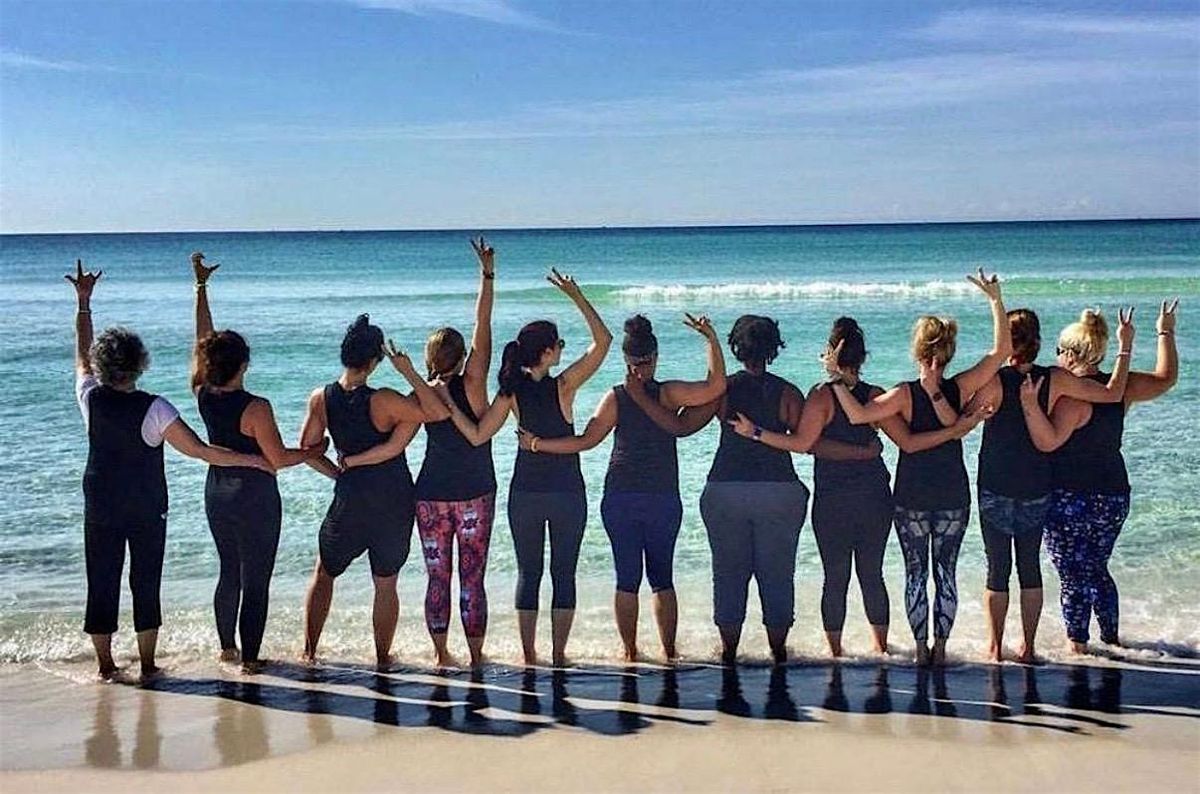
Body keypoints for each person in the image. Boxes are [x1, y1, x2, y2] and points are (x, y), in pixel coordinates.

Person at [729, 317, 988, 658]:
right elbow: (908, 443)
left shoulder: (821, 396)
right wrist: (953, 431)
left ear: (829, 354)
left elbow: (803, 443)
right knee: (871, 574)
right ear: (863, 357)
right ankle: (881, 649)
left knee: (835, 577)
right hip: (874, 497)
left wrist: (756, 433)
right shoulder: (875, 396)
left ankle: (836, 654)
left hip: (832, 499)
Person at [67, 260, 270, 681]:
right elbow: (201, 451)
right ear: (141, 363)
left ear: (104, 366)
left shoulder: (90, 398)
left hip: (100, 506)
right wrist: (252, 459)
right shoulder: (156, 408)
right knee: (145, 581)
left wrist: (84, 304)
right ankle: (146, 664)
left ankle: (106, 665)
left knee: (101, 581)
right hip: (146, 508)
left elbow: (82, 358)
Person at [635, 315, 876, 665]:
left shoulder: (722, 391)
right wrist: (861, 453)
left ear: (736, 348)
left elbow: (681, 427)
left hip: (725, 489)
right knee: (778, 575)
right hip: (779, 491)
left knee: (728, 574)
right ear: (774, 349)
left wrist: (640, 399)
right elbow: (810, 443)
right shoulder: (788, 393)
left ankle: (729, 652)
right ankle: (778, 652)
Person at [517, 312, 726, 662]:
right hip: (662, 496)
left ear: (626, 360)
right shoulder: (669, 393)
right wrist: (711, 340)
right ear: (655, 358)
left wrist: (538, 444)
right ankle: (669, 652)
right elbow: (716, 386)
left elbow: (585, 441)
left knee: (626, 579)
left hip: (620, 496)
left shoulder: (616, 398)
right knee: (662, 578)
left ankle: (630, 653)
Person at [830, 269, 1011, 666]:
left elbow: (859, 416)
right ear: (949, 351)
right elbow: (1001, 353)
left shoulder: (903, 395)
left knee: (916, 574)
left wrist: (837, 380)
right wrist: (995, 300)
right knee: (945, 573)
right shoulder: (960, 387)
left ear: (917, 350)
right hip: (952, 495)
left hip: (911, 496)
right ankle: (941, 649)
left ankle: (921, 650)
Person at [438, 268, 611, 667]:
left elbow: (478, 435)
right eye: (559, 345)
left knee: (528, 574)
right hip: (567, 493)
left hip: (525, 494)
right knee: (563, 574)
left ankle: (530, 656)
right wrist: (576, 295)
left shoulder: (511, 392)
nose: (562, 350)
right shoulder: (563, 386)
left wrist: (448, 405)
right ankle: (559, 656)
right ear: (547, 353)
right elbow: (603, 341)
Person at [343, 238, 497, 669]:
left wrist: (351, 459)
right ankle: (476, 656)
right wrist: (487, 274)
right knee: (472, 578)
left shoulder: (420, 396)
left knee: (437, 579)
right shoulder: (474, 383)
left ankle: (442, 654)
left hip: (430, 496)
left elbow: (395, 444)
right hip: (475, 494)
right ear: (463, 357)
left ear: (431, 358)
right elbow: (483, 321)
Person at [967, 307, 1133, 663]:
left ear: (1006, 343)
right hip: (1036, 486)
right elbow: (1112, 392)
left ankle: (995, 648)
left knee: (997, 568)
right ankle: (1028, 648)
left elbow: (961, 421)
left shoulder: (994, 381)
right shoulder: (1055, 378)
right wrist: (1124, 347)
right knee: (1029, 568)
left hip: (995, 485)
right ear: (1038, 342)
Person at [189, 252, 329, 673]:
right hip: (254, 497)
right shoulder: (256, 407)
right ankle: (250, 661)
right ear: (245, 365)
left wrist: (200, 288)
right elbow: (278, 459)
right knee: (256, 579)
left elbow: (202, 341)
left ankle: (226, 649)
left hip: (217, 491)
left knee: (228, 572)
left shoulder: (202, 391)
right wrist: (313, 452)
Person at [1020, 301, 1178, 653]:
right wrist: (1165, 330)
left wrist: (1029, 407)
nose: (1057, 357)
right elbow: (1165, 379)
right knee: (1096, 568)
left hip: (1069, 496)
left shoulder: (1069, 400)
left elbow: (1047, 442)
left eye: (1059, 351)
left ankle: (1077, 644)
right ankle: (1112, 639)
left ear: (1071, 354)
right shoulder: (1121, 388)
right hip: (1113, 494)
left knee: (1072, 574)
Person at [298, 315, 450, 668]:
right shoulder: (385, 400)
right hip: (393, 500)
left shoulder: (321, 398)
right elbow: (437, 412)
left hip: (350, 498)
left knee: (324, 572)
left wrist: (338, 473)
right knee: (385, 583)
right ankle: (382, 658)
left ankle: (309, 651)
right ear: (373, 361)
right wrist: (409, 372)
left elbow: (307, 449)